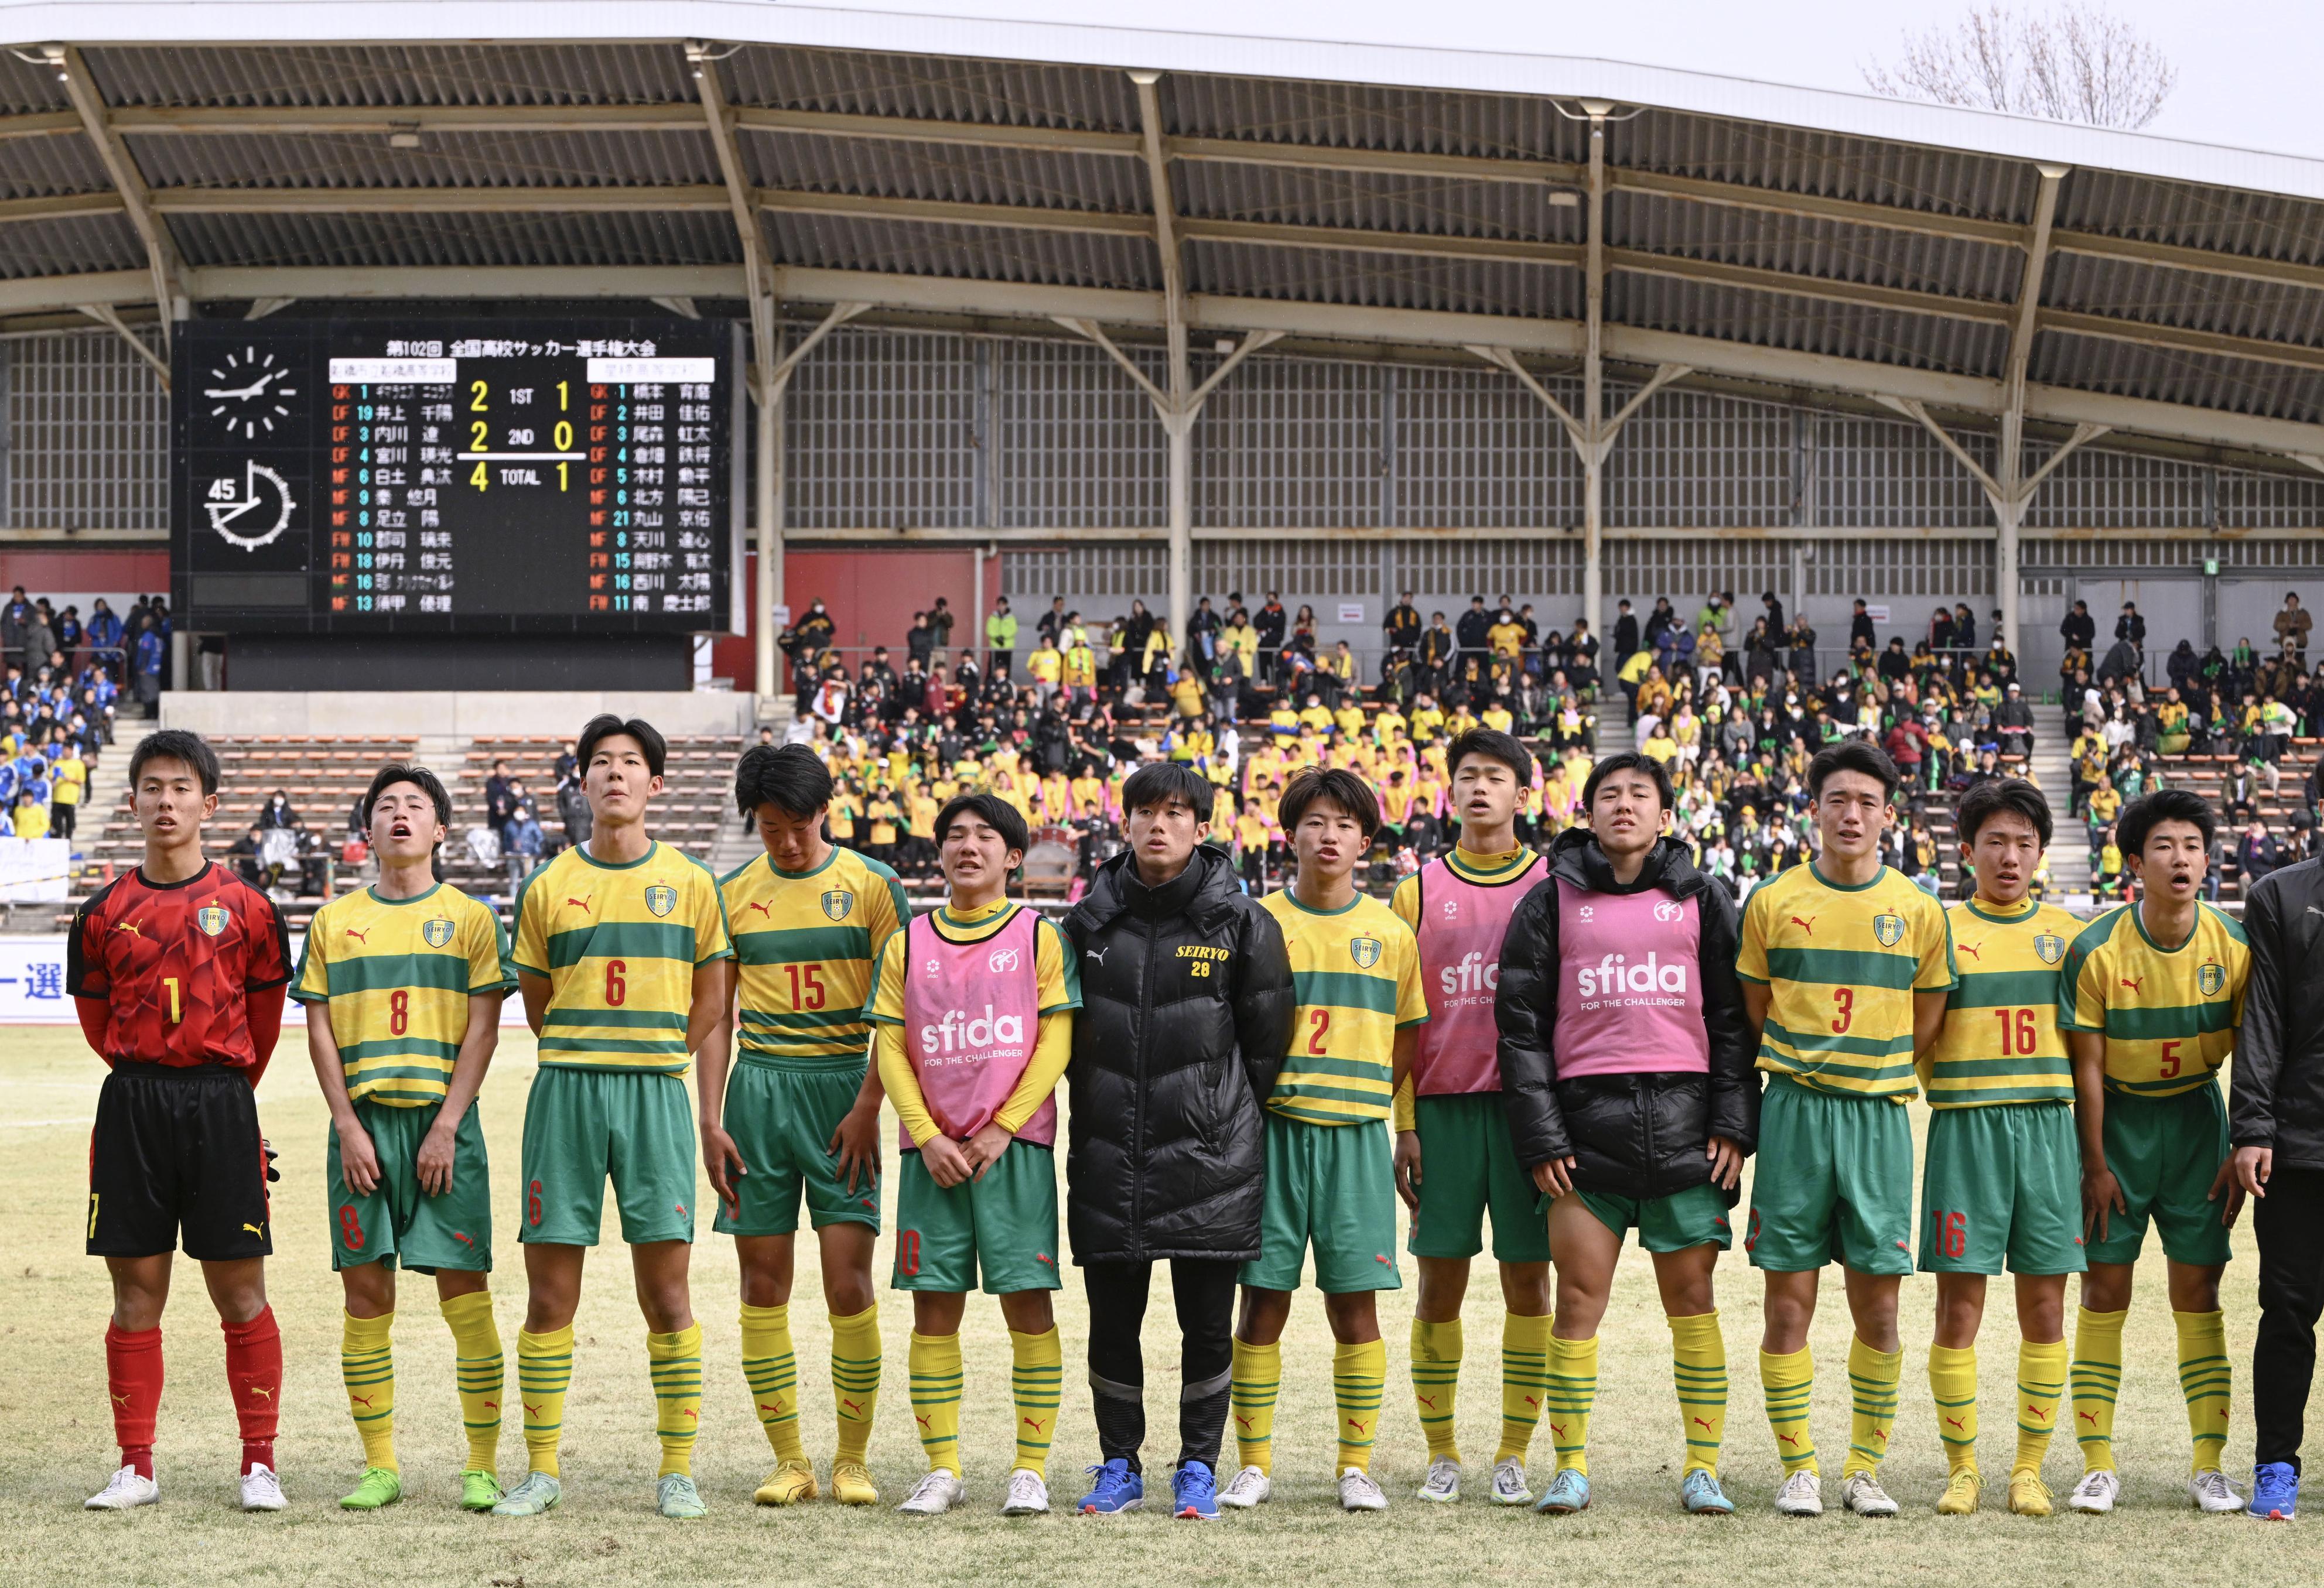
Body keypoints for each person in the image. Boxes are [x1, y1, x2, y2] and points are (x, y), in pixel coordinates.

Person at [1495, 750, 1756, 1517]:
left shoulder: (1704, 897)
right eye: (1608, 794)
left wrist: (1732, 1122)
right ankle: (1570, 1467)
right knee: (1577, 1302)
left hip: (1686, 1132)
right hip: (1585, 1138)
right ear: (1587, 813)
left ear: (1665, 816)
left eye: (1640, 794)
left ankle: (1702, 1468)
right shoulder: (1549, 901)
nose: (1623, 805)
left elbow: (1733, 1021)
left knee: (1694, 1302)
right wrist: (1542, 1138)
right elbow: (1520, 1029)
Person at [498, 715, 736, 1521]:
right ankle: (541, 1470)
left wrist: (659, 1054)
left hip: (654, 1094)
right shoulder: (547, 885)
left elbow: (712, 1000)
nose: (614, 774)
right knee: (548, 1297)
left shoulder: (692, 883)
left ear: (655, 784)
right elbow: (537, 1002)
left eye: (630, 762)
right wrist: (585, 1049)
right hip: (565, 1093)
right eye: (600, 762)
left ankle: (677, 1471)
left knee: (667, 1293)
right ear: (583, 781)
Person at [1061, 761, 1294, 1521]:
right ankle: (1118, 1464)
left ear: (1201, 827)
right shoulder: (1087, 923)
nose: (1157, 825)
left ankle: (1198, 1466)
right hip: (1109, 1155)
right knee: (1112, 1324)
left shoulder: (1243, 923)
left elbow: (1266, 1045)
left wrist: (1215, 1116)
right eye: (1144, 812)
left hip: (1210, 1162)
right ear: (1124, 822)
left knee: (1206, 1327)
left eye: (1174, 812)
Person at [71, 730, 293, 1512]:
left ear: (210, 803)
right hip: (133, 1106)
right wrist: (152, 1077)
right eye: (153, 788)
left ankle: (259, 1465)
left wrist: (225, 1096)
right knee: (136, 1292)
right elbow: (97, 1024)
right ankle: (136, 1467)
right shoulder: (102, 913)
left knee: (240, 1290)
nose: (166, 801)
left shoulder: (250, 908)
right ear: (132, 801)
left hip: (222, 1103)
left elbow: (264, 1024)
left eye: (181, 787)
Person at [1735, 739, 1953, 1518]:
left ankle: (1864, 1468)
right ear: (1814, 811)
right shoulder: (1772, 901)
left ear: (1889, 815)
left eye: (1866, 802)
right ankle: (1798, 1467)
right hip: (1795, 1114)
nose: (1851, 815)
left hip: (1879, 1118)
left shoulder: (1918, 909)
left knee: (1880, 1308)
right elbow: (1756, 1006)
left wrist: (1875, 1065)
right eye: (1837, 801)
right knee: (1787, 1305)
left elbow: (1929, 1015)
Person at [294, 764, 512, 1512]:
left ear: (440, 829)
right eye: (385, 806)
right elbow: (318, 1032)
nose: (400, 815)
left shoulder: (472, 919)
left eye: (415, 806)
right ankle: (379, 1466)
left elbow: (484, 1029)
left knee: (466, 1296)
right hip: (362, 1128)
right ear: (368, 830)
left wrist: (447, 1125)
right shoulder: (333, 921)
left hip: (443, 1125)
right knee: (365, 1295)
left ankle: (481, 1466)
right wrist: (347, 1126)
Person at [869, 792, 1080, 1518]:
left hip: (1012, 1152)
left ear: (1013, 856)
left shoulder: (1038, 936)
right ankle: (942, 1469)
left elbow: (1056, 1040)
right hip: (931, 1155)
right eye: (955, 836)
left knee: (1027, 1304)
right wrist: (925, 1134)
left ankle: (1030, 1470)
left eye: (985, 836)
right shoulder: (907, 943)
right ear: (939, 853)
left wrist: (1004, 1126)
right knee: (934, 1309)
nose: (968, 847)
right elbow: (891, 1047)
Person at [706, 745, 907, 1508]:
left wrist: (868, 1105)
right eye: (770, 829)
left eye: (799, 825)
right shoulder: (732, 893)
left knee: (848, 1283)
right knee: (762, 1284)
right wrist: (712, 1118)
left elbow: (897, 1010)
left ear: (826, 811)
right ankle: (789, 1461)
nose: (787, 842)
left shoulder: (873, 886)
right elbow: (716, 1016)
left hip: (842, 1092)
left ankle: (853, 1460)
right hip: (758, 1094)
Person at [1225, 768, 1427, 1514]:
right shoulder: (1256, 922)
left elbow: (1407, 1035)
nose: (1329, 835)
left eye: (1344, 824)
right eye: (1314, 821)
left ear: (1365, 842)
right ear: (1290, 835)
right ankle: (1253, 1465)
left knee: (1354, 1308)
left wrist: (1384, 1109)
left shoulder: (1389, 932)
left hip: (1355, 1141)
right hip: (1272, 1135)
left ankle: (1354, 1466)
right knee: (1261, 1303)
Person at [2058, 788, 2251, 1517]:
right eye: (2163, 846)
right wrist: (2094, 1165)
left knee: (2197, 1294)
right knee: (2102, 1293)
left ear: (2206, 860)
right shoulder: (2095, 950)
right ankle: (2097, 1465)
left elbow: (2253, 1054)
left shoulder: (2232, 945)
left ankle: (2208, 1466)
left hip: (2198, 1123)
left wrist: (2238, 1141)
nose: (2180, 858)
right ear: (2135, 864)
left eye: (2192, 846)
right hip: (2118, 1125)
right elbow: (2085, 1069)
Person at [1385, 730, 1553, 1507]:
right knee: (1438, 1285)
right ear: (1449, 791)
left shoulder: (1552, 883)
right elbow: (1402, 1020)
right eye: (1467, 776)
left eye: (1495, 776)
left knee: (1529, 1284)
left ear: (1524, 792)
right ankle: (1442, 1453)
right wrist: (1405, 1121)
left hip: (1528, 1116)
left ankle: (1513, 1453)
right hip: (1441, 1113)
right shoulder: (1417, 891)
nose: (1479, 788)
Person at [1914, 779, 2087, 1518]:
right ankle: (1962, 1470)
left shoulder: (2071, 936)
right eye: (1994, 842)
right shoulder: (1940, 930)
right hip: (1966, 1129)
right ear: (1966, 851)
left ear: (2040, 852)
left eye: (2022, 843)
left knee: (2044, 1306)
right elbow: (1918, 1035)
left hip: (2047, 1130)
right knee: (1958, 1307)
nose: (2008, 857)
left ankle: (2027, 1470)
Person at [2229, 841, 2324, 1519]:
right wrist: (2252, 1127)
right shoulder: (2280, 896)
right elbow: (2259, 1019)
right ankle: (2275, 1466)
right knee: (2287, 1310)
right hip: (2298, 1142)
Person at [986, 597, 1018, 680]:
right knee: (992, 667)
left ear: (1006, 605)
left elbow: (1013, 630)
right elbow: (989, 629)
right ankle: (991, 683)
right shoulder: (993, 617)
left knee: (1006, 667)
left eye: (1003, 605)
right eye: (999, 605)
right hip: (995, 647)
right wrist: (997, 637)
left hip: (1007, 647)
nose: (1001, 607)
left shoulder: (1011, 618)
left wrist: (1003, 636)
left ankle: (1006, 682)